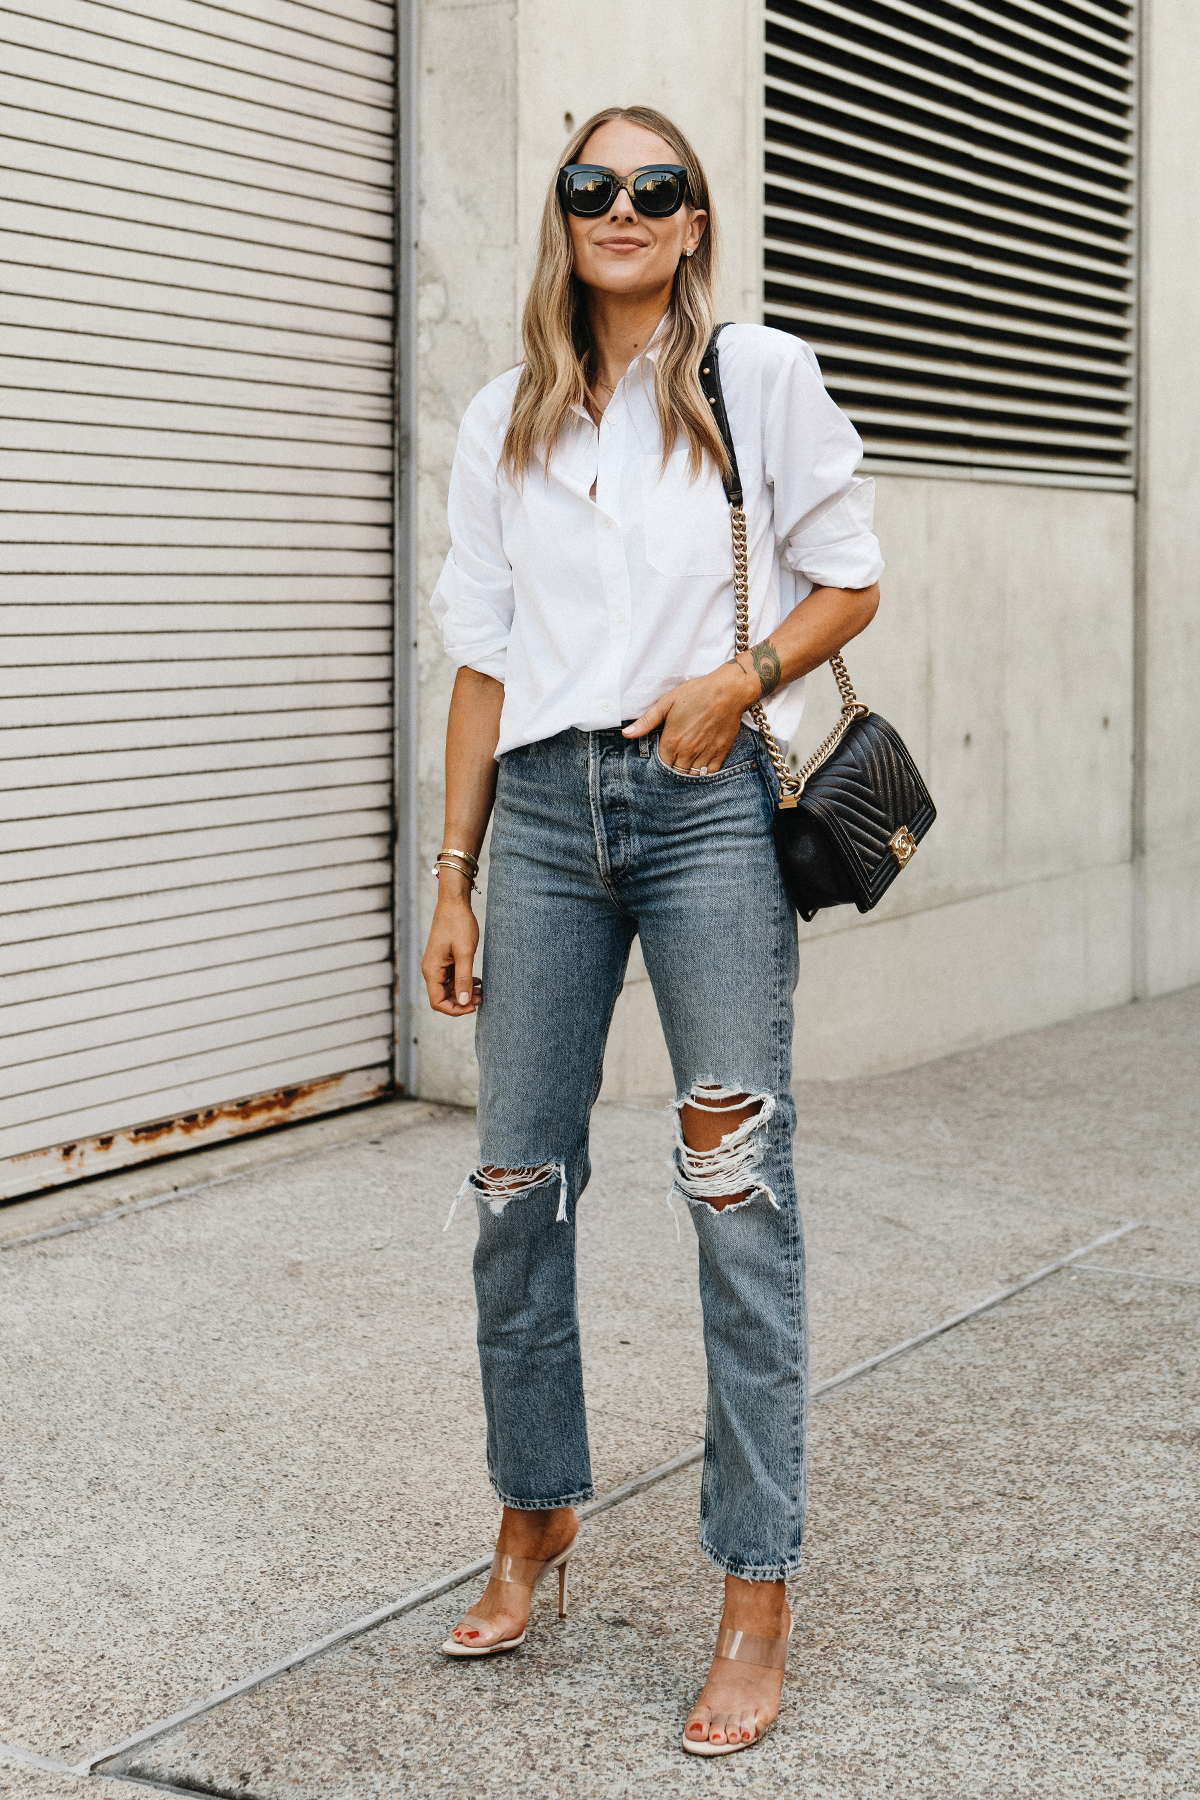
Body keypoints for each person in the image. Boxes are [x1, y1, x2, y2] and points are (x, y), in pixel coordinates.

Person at [423, 103, 882, 1756]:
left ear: (695, 222)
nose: (624, 208)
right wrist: (455, 867)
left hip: (701, 815)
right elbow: (480, 658)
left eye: (657, 189)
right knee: (513, 1191)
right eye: (592, 186)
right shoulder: (504, 418)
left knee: (735, 1188)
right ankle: (536, 1511)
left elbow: (853, 578)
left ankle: (753, 1587)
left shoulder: (757, 378)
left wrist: (735, 684)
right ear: (563, 215)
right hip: (540, 822)